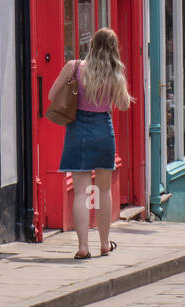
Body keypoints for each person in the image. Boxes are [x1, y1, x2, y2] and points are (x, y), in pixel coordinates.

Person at [48, 27, 132, 259]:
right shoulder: (115, 74)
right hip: (103, 131)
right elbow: (124, 105)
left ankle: (83, 247)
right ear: (114, 49)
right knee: (104, 191)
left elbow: (52, 95)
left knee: (81, 193)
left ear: (92, 45)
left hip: (77, 132)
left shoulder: (74, 67)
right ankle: (104, 244)